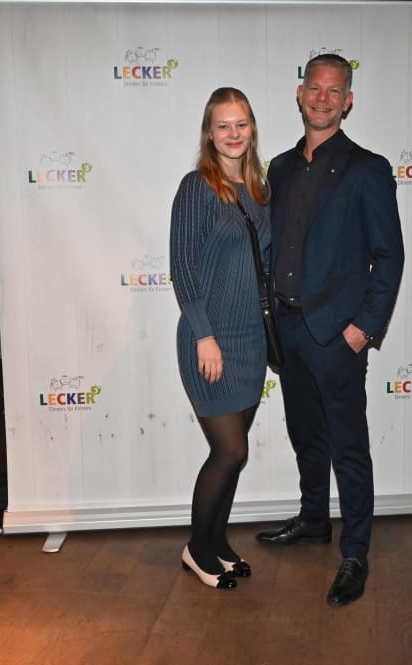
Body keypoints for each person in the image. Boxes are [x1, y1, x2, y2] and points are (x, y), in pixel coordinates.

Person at [255, 54, 405, 607]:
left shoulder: (368, 169)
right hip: (288, 330)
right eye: (314, 88)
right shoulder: (278, 168)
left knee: (349, 447)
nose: (322, 98)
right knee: (306, 435)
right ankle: (314, 519)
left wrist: (362, 329)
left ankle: (355, 552)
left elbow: (389, 256)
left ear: (348, 100)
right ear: (300, 94)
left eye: (333, 90)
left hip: (337, 334)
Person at [170, 87, 270, 590]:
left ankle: (217, 541)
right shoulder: (197, 188)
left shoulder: (259, 190)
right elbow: (182, 266)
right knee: (228, 451)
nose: (234, 134)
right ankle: (196, 548)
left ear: (252, 129)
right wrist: (204, 336)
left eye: (241, 124)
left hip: (251, 340)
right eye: (223, 125)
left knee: (238, 453)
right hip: (210, 339)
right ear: (210, 134)